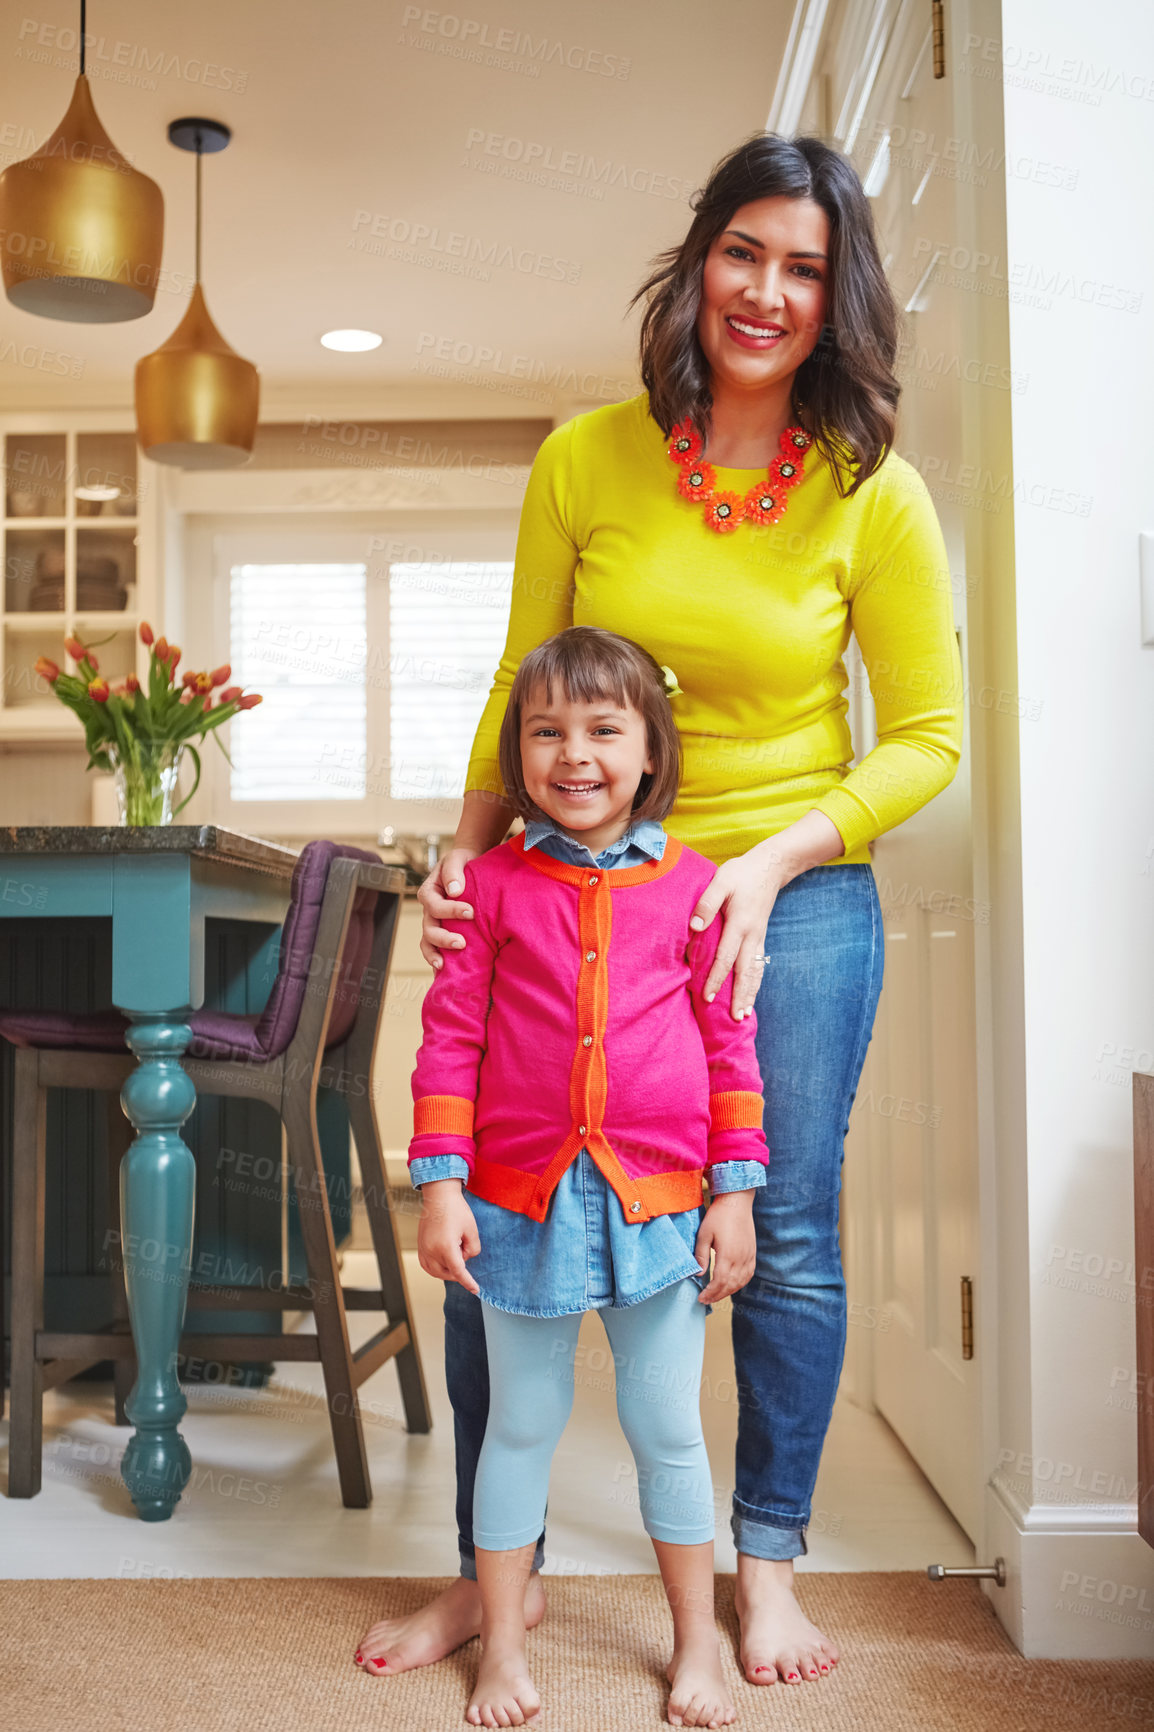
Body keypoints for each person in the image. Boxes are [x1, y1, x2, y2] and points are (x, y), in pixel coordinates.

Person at [356, 130, 963, 1691]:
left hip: (790, 897)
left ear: (839, 303)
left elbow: (926, 739)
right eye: (743, 251)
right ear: (698, 259)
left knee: (789, 1236)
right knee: (508, 1203)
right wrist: (466, 861)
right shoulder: (586, 456)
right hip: (568, 891)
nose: (766, 291)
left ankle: (762, 1573)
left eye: (805, 270)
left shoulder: (870, 496)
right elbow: (519, 682)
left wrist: (767, 863)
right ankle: (506, 1587)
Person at [409, 625, 768, 1728]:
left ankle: (696, 1641)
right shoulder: (490, 887)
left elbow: (729, 1049)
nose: (573, 754)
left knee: (668, 1429)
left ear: (649, 748)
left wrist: (734, 1193)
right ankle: (505, 1643)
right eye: (545, 730)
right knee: (519, 1424)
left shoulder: (699, 887)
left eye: (603, 729)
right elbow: (448, 1041)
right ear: (516, 752)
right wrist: (438, 1183)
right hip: (515, 1206)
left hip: (660, 1208)